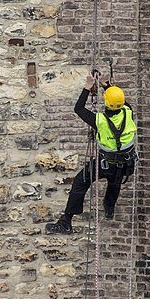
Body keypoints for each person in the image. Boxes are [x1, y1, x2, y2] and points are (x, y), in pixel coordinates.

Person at [46, 71, 137, 234]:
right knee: (115, 183)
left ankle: (66, 221)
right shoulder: (128, 112)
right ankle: (109, 208)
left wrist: (88, 86)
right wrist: (106, 85)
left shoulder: (99, 121)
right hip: (125, 163)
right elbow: (120, 101)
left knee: (80, 183)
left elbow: (78, 108)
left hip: (104, 164)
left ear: (106, 103)